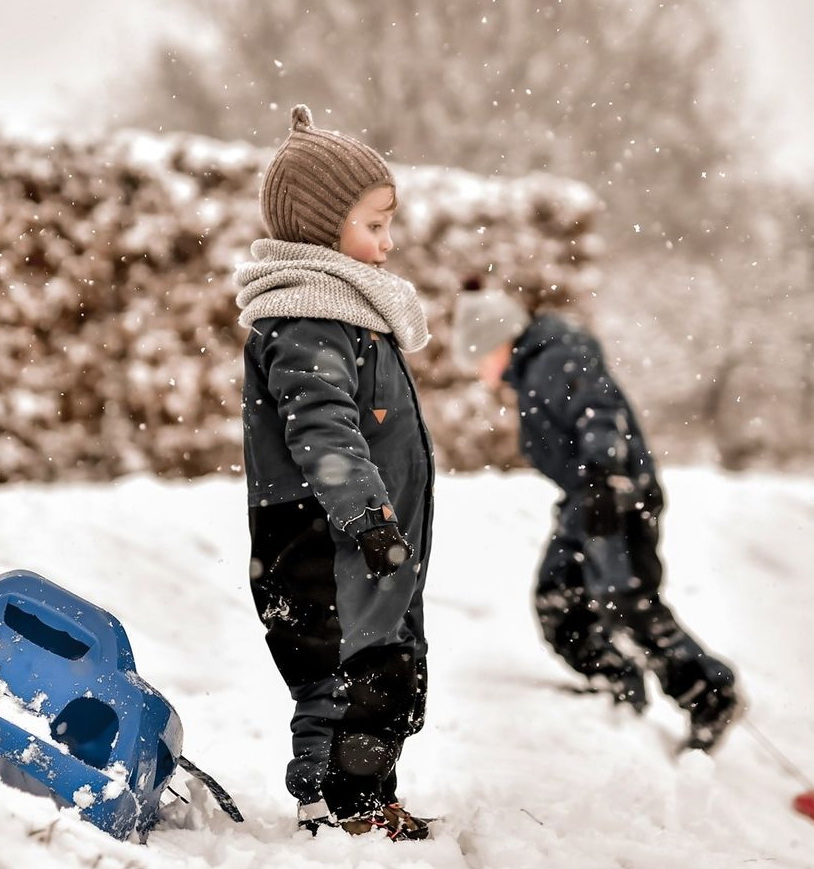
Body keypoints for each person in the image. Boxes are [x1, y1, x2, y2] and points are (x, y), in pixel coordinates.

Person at [232, 104, 434, 838]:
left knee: (387, 669)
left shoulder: (345, 312)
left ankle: (369, 798)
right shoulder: (308, 317)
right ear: (321, 229)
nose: (387, 242)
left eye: (387, 224)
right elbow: (322, 430)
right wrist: (366, 517)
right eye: (373, 224)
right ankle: (333, 808)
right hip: (325, 537)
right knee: (342, 675)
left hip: (366, 539)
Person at [451, 275, 742, 752]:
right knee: (558, 595)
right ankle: (613, 680)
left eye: (479, 356)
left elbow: (600, 414)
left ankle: (710, 696)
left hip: (615, 496)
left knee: (626, 600)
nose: (480, 370)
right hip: (585, 500)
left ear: (500, 341)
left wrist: (606, 477)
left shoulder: (555, 359)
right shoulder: (534, 370)